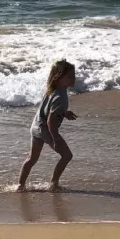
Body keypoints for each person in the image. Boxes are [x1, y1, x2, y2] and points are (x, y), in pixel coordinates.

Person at [17, 60, 78, 192]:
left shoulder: (52, 90)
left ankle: (20, 185)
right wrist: (55, 139)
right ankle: (54, 184)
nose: (73, 79)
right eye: (69, 76)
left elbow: (49, 109)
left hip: (35, 127)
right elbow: (51, 121)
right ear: (58, 78)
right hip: (46, 129)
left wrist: (64, 113)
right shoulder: (60, 96)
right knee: (67, 156)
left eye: (74, 75)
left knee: (32, 159)